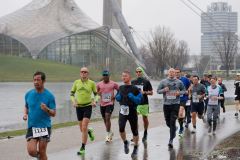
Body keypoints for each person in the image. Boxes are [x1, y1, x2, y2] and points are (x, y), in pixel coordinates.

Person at [23, 71, 56, 160]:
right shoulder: (28, 94)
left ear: (44, 81)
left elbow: (54, 113)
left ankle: (41, 157)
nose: (36, 82)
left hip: (44, 127)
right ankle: (41, 158)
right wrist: (25, 114)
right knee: (31, 151)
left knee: (42, 151)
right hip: (32, 127)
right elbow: (26, 106)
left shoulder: (50, 96)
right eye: (34, 80)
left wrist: (47, 109)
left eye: (38, 80)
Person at [70, 67, 98, 155]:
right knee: (82, 129)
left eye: (85, 72)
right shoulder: (76, 82)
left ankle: (83, 148)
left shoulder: (92, 83)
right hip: (78, 107)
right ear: (80, 73)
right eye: (82, 72)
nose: (83, 73)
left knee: (84, 126)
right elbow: (71, 94)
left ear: (88, 74)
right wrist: (74, 101)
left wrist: (95, 101)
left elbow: (97, 95)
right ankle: (89, 131)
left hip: (88, 106)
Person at [115, 70, 142, 158]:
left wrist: (133, 97)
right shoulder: (121, 87)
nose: (123, 77)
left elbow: (139, 100)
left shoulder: (135, 88)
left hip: (132, 111)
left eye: (125, 76)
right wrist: (117, 98)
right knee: (121, 128)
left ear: (129, 77)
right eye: (122, 76)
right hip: (123, 110)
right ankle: (125, 142)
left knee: (134, 131)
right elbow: (118, 96)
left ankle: (135, 148)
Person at [157, 68, 185, 148]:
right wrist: (164, 90)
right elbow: (158, 91)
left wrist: (178, 93)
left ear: (175, 74)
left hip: (175, 104)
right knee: (168, 123)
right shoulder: (163, 82)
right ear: (168, 73)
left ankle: (171, 140)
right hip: (166, 104)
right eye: (170, 72)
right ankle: (174, 128)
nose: (172, 73)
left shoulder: (179, 82)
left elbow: (184, 90)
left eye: (173, 72)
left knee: (172, 121)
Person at [131, 67, 153, 142]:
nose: (138, 73)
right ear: (135, 73)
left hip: (144, 102)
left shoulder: (146, 81)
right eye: (137, 72)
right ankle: (135, 134)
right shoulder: (133, 82)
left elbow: (151, 92)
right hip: (135, 103)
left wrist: (145, 92)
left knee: (145, 118)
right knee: (134, 118)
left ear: (142, 72)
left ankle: (145, 132)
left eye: (140, 71)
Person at [97, 70, 119, 143]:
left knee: (107, 117)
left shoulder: (113, 83)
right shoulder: (99, 84)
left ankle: (107, 135)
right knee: (104, 119)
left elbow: (119, 90)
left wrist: (115, 97)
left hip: (110, 103)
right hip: (102, 104)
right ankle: (110, 132)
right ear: (102, 76)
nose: (105, 76)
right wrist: (99, 94)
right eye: (104, 75)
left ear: (109, 76)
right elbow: (96, 91)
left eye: (106, 75)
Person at [175, 68, 191, 137]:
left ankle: (181, 129)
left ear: (180, 73)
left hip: (183, 98)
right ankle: (181, 126)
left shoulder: (185, 79)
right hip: (175, 99)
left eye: (178, 72)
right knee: (178, 115)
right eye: (175, 72)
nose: (177, 73)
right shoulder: (172, 80)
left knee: (181, 112)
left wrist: (188, 91)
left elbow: (190, 85)